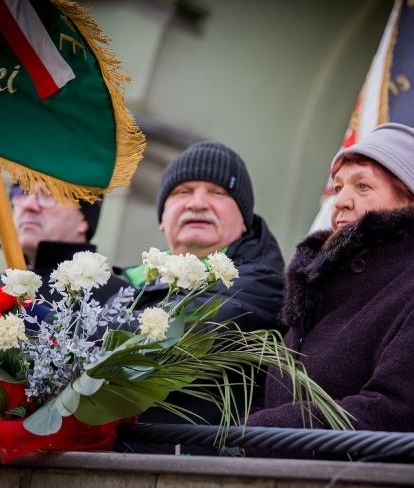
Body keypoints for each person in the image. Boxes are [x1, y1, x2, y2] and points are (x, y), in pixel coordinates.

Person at [244, 122, 414, 459]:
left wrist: (252, 433)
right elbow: (274, 395)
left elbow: (396, 415)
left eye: (363, 186)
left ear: (411, 201)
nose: (339, 201)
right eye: (337, 186)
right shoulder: (316, 284)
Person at [112, 140, 286, 454]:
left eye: (218, 193)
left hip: (188, 470)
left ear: (244, 218)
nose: (198, 203)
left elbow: (176, 337)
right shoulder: (124, 280)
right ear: (162, 218)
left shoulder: (261, 283)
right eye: (182, 192)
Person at [0, 184, 128, 310]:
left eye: (49, 193)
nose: (29, 205)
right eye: (22, 192)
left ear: (84, 219)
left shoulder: (118, 299)